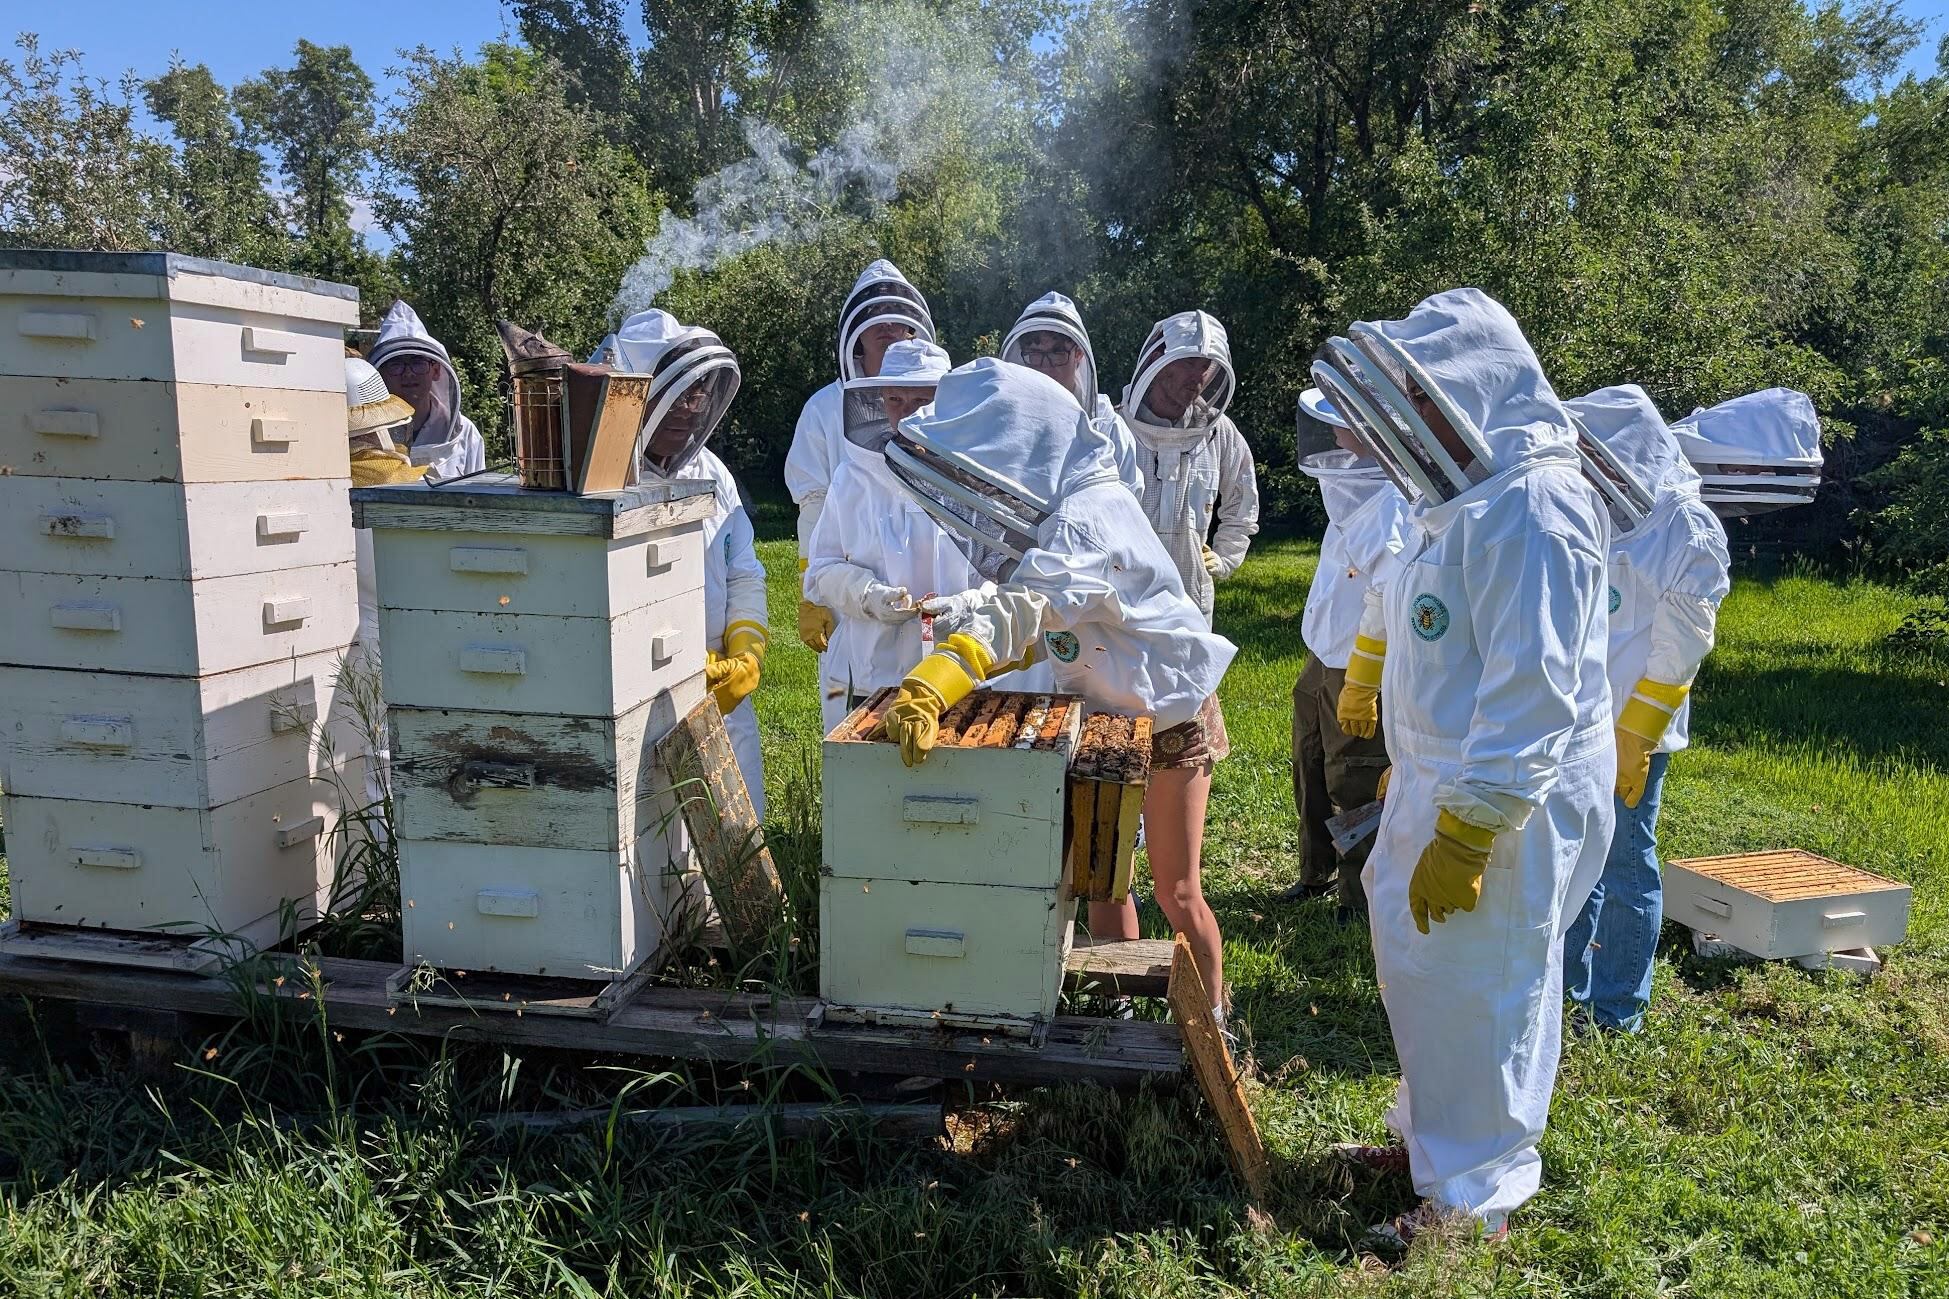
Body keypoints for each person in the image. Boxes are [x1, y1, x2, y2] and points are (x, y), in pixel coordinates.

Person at [1310, 288, 1613, 1235]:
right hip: (1449, 777)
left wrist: (1474, 821)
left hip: (1507, 795)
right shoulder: (1467, 502)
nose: (1420, 423)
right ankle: (1431, 1139)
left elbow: (1534, 691)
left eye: (1431, 400)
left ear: (1477, 390)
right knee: (1423, 970)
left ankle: (1475, 1196)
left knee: (1487, 984)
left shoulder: (1537, 506)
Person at [877, 358, 1238, 1016]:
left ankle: (1213, 1027)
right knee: (1101, 880)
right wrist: (990, 661)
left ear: (1018, 445)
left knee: (1176, 888)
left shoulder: (1087, 519)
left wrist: (946, 669)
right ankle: (1114, 1009)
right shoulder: (1065, 516)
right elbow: (1050, 626)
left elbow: (1028, 605)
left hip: (1172, 718)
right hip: (1107, 719)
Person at [1560, 385, 1730, 1032]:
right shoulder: (1605, 512)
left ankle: (1616, 1009)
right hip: (1587, 719)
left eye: (1594, 454)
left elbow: (1682, 643)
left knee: (1628, 865)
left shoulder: (1686, 525)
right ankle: (1566, 992)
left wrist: (1637, 733)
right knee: (1580, 861)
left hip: (1640, 732)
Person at [594, 309, 768, 818]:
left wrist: (747, 647)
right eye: (677, 395)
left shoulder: (713, 470)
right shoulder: (604, 476)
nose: (691, 409)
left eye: (698, 394)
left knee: (740, 825)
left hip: (722, 688)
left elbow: (744, 568)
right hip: (636, 693)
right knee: (652, 842)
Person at [804, 339, 1005, 734]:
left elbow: (1008, 581)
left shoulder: (978, 480)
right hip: (869, 676)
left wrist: (965, 604)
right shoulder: (853, 478)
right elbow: (821, 572)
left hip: (957, 678)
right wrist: (868, 595)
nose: (906, 412)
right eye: (895, 399)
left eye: (920, 400)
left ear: (946, 401)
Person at [1283, 386, 1412, 910]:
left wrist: (1364, 679)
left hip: (1362, 665)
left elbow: (1389, 593)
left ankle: (1361, 897)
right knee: (1308, 762)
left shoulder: (1394, 502)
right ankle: (1316, 871)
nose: (1331, 435)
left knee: (1355, 776)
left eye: (1341, 425)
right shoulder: (1350, 488)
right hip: (1323, 656)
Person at [784, 259, 936, 656]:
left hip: (931, 594)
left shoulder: (943, 407)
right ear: (855, 332)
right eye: (872, 316)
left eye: (895, 316)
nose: (886, 325)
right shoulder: (822, 408)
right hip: (847, 579)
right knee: (851, 694)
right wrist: (812, 590)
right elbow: (814, 502)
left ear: (912, 328)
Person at [1118, 309, 1259, 627]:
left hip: (1190, 597)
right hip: (1123, 596)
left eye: (1206, 366)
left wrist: (1225, 557)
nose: (1198, 377)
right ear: (1158, 359)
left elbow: (1243, 499)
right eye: (1188, 363)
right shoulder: (1113, 428)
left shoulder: (1219, 432)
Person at [998, 291, 1144, 493]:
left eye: (1057, 353)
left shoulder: (1107, 427)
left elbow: (1129, 501)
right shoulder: (1006, 419)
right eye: (1035, 354)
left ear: (1078, 354)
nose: (1045, 367)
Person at [368, 301, 487, 481]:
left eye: (417, 362)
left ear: (436, 370)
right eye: (396, 364)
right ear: (381, 373)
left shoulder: (466, 434)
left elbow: (479, 501)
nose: (408, 374)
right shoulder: (364, 435)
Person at [1668, 387, 1823, 519]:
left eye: (1767, 473)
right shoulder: (1669, 446)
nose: (1757, 473)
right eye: (1766, 468)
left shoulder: (1718, 484)